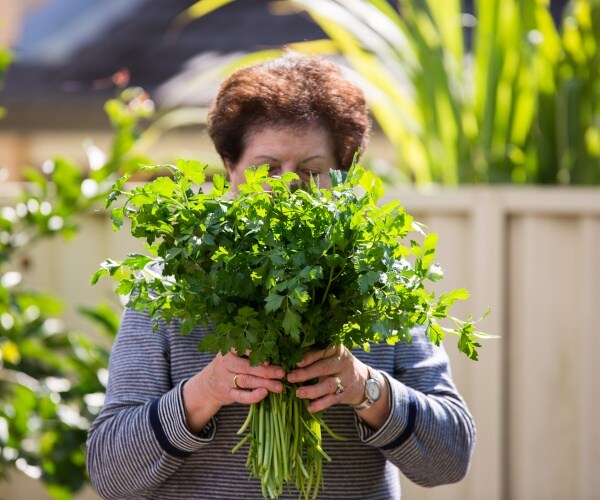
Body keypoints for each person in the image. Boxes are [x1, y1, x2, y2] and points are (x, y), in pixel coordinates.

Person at [86, 53, 476, 499]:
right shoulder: (174, 281)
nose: (289, 186)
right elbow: (111, 472)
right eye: (266, 168)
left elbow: (451, 457)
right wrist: (205, 391)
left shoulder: (376, 278)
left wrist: (366, 388)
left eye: (311, 171)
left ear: (341, 177)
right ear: (231, 168)